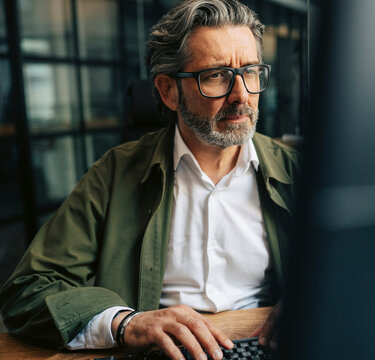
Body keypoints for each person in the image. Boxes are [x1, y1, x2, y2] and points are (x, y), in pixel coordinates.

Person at [0, 1, 300, 359]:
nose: (241, 95)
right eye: (216, 76)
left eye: (250, 71)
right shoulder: (115, 174)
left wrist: (312, 297)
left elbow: (365, 270)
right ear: (168, 91)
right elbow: (27, 290)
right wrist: (126, 324)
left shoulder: (298, 171)